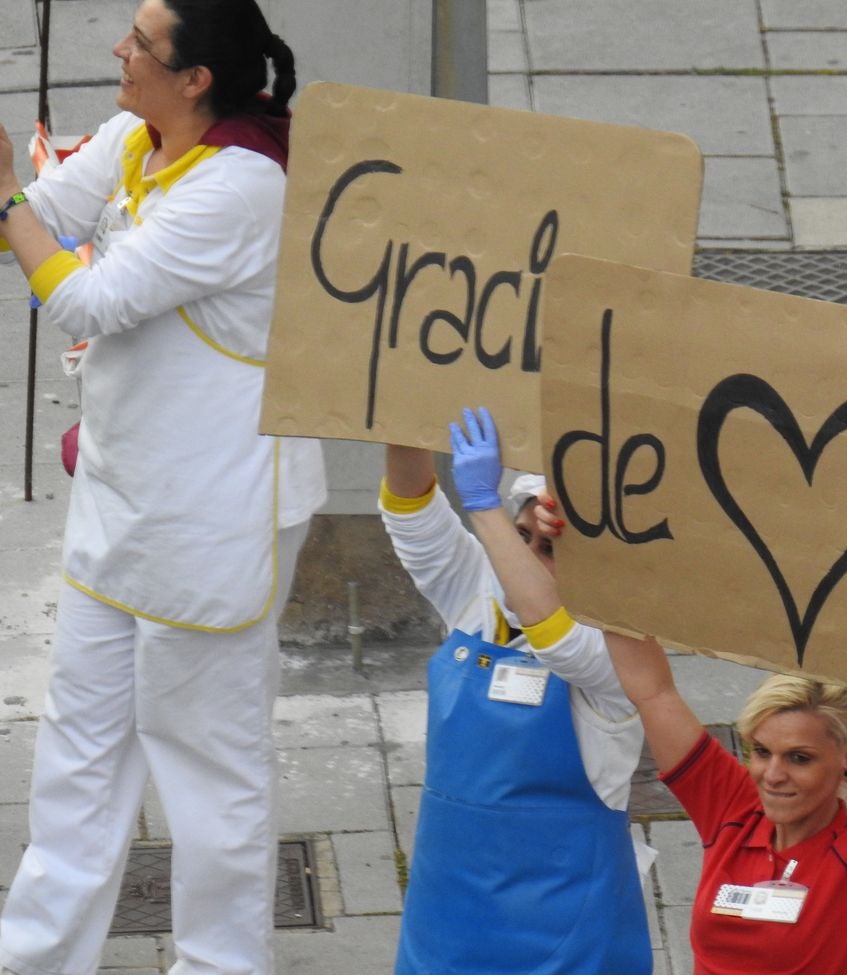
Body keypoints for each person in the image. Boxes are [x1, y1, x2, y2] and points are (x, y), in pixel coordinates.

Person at [0, 2, 326, 973]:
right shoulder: (136, 138)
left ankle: (222, 963)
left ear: (196, 79)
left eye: (143, 43)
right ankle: (38, 956)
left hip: (215, 524)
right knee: (78, 759)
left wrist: (6, 204)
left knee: (207, 768)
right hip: (120, 503)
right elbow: (49, 219)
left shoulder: (241, 187)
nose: (120, 49)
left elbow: (86, 294)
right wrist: (20, 205)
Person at [596, 584, 847, 975]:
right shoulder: (734, 809)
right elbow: (653, 692)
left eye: (800, 758)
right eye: (762, 751)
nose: (773, 775)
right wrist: (597, 560)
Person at [382, 407, 651, 975]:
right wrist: (402, 406)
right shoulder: (477, 597)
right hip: (445, 917)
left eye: (550, 549)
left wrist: (484, 508)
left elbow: (557, 638)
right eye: (519, 535)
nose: (524, 556)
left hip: (565, 934)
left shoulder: (619, 651)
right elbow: (411, 514)